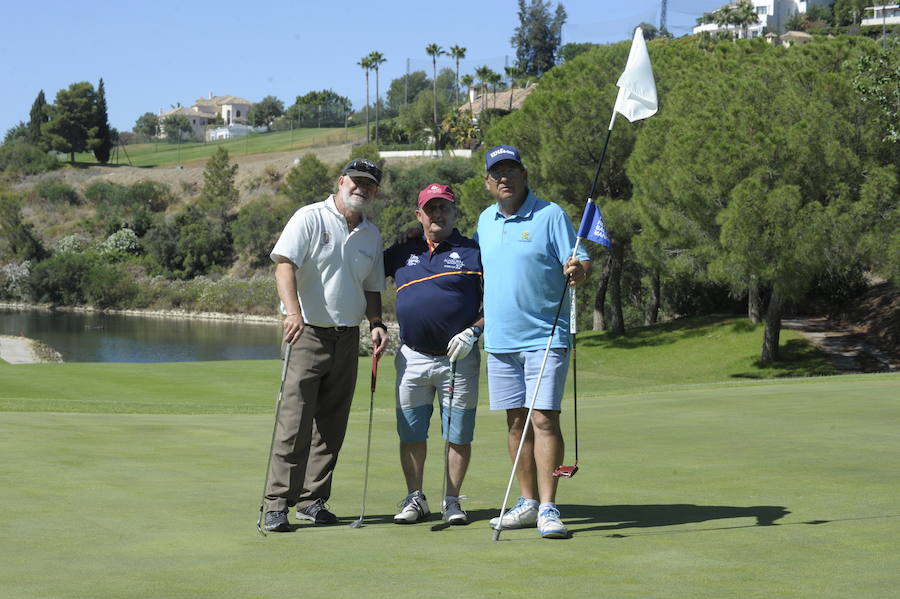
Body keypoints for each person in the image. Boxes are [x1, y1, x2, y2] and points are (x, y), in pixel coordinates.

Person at [262, 158, 389, 533]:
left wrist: (377, 323)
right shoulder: (309, 217)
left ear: (375, 191)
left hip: (348, 337)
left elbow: (372, 287)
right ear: (341, 181)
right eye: (356, 181)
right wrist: (292, 313)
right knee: (294, 422)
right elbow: (284, 265)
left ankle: (312, 500)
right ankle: (276, 504)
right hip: (306, 334)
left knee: (332, 425)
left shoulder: (371, 234)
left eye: (369, 184)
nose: (361, 188)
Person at [475, 145, 590, 539]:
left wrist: (576, 270)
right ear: (488, 182)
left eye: (511, 170)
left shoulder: (551, 214)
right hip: (501, 339)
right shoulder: (485, 221)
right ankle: (526, 503)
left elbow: (580, 261)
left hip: (545, 334)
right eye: (497, 172)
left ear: (525, 175)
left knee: (543, 418)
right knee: (515, 422)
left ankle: (549, 507)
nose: (504, 178)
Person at [383, 183, 484, 525]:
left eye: (444, 208)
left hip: (459, 358)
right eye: (431, 209)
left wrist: (474, 330)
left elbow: (499, 300)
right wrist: (373, 320)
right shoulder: (400, 252)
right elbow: (362, 274)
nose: (438, 214)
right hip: (412, 358)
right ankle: (415, 499)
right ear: (419, 215)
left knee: (458, 433)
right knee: (411, 433)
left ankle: (452, 501)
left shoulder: (473, 251)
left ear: (455, 213)